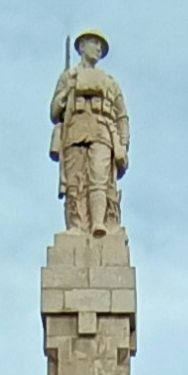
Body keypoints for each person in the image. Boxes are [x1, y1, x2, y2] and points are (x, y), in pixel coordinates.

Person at [50, 30, 129, 235]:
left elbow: (122, 116)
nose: (98, 48)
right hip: (75, 128)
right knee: (74, 179)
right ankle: (76, 225)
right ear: (82, 46)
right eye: (94, 43)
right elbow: (54, 111)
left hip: (102, 128)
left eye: (100, 45)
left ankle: (98, 223)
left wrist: (123, 144)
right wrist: (68, 90)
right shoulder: (68, 77)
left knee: (99, 176)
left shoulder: (110, 81)